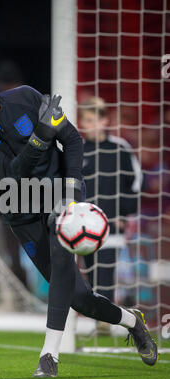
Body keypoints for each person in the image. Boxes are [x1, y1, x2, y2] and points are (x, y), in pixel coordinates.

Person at [0, 62, 158, 377]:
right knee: (80, 300)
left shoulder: (26, 98)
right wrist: (41, 136)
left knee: (61, 248)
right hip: (21, 211)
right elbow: (13, 175)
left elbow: (71, 140)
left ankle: (49, 357)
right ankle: (132, 321)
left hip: (60, 196)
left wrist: (72, 189)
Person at [79, 97, 143, 315]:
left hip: (112, 225)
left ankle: (105, 319)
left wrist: (123, 213)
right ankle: (101, 316)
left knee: (106, 274)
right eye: (85, 120)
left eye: (92, 119)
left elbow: (134, 182)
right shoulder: (78, 151)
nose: (88, 124)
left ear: (104, 120)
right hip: (84, 225)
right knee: (92, 275)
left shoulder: (120, 148)